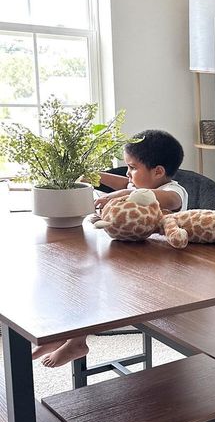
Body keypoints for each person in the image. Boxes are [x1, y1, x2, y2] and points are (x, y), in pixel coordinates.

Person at [34, 129, 187, 368]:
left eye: (133, 167)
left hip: (163, 273)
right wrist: (96, 176)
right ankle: (64, 334)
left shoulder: (174, 192)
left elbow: (162, 200)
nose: (128, 173)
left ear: (158, 172)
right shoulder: (140, 183)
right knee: (80, 275)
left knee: (95, 282)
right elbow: (124, 183)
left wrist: (122, 194)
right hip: (136, 260)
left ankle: (74, 341)